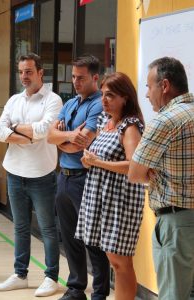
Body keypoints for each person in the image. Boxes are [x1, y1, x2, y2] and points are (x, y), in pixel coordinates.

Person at [0, 53, 62, 297]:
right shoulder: (14, 100)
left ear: (40, 72)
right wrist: (25, 134)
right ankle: (20, 274)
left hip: (41, 174)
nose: (24, 76)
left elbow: (44, 131)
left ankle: (51, 277)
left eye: (29, 71)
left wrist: (13, 130)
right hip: (14, 172)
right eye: (21, 71)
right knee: (20, 227)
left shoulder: (53, 100)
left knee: (47, 228)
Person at [128, 57, 194, 300]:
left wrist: (151, 168)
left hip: (176, 223)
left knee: (173, 295)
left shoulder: (165, 120)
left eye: (148, 86)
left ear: (164, 86)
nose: (146, 94)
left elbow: (135, 173)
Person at [75, 72, 145, 300]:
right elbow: (98, 158)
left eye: (111, 95)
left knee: (120, 261)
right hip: (100, 195)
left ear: (125, 98)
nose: (104, 100)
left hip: (121, 200)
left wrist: (98, 162)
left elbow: (133, 165)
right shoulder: (106, 122)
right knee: (112, 258)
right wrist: (88, 160)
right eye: (103, 94)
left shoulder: (130, 126)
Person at [47, 55, 110, 300]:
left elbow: (86, 140)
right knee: (69, 235)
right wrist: (68, 138)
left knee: (92, 238)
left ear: (95, 78)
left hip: (86, 178)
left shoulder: (98, 105)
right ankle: (76, 288)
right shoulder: (71, 103)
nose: (75, 81)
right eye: (73, 76)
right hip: (64, 176)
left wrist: (65, 138)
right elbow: (51, 137)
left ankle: (100, 292)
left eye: (80, 77)